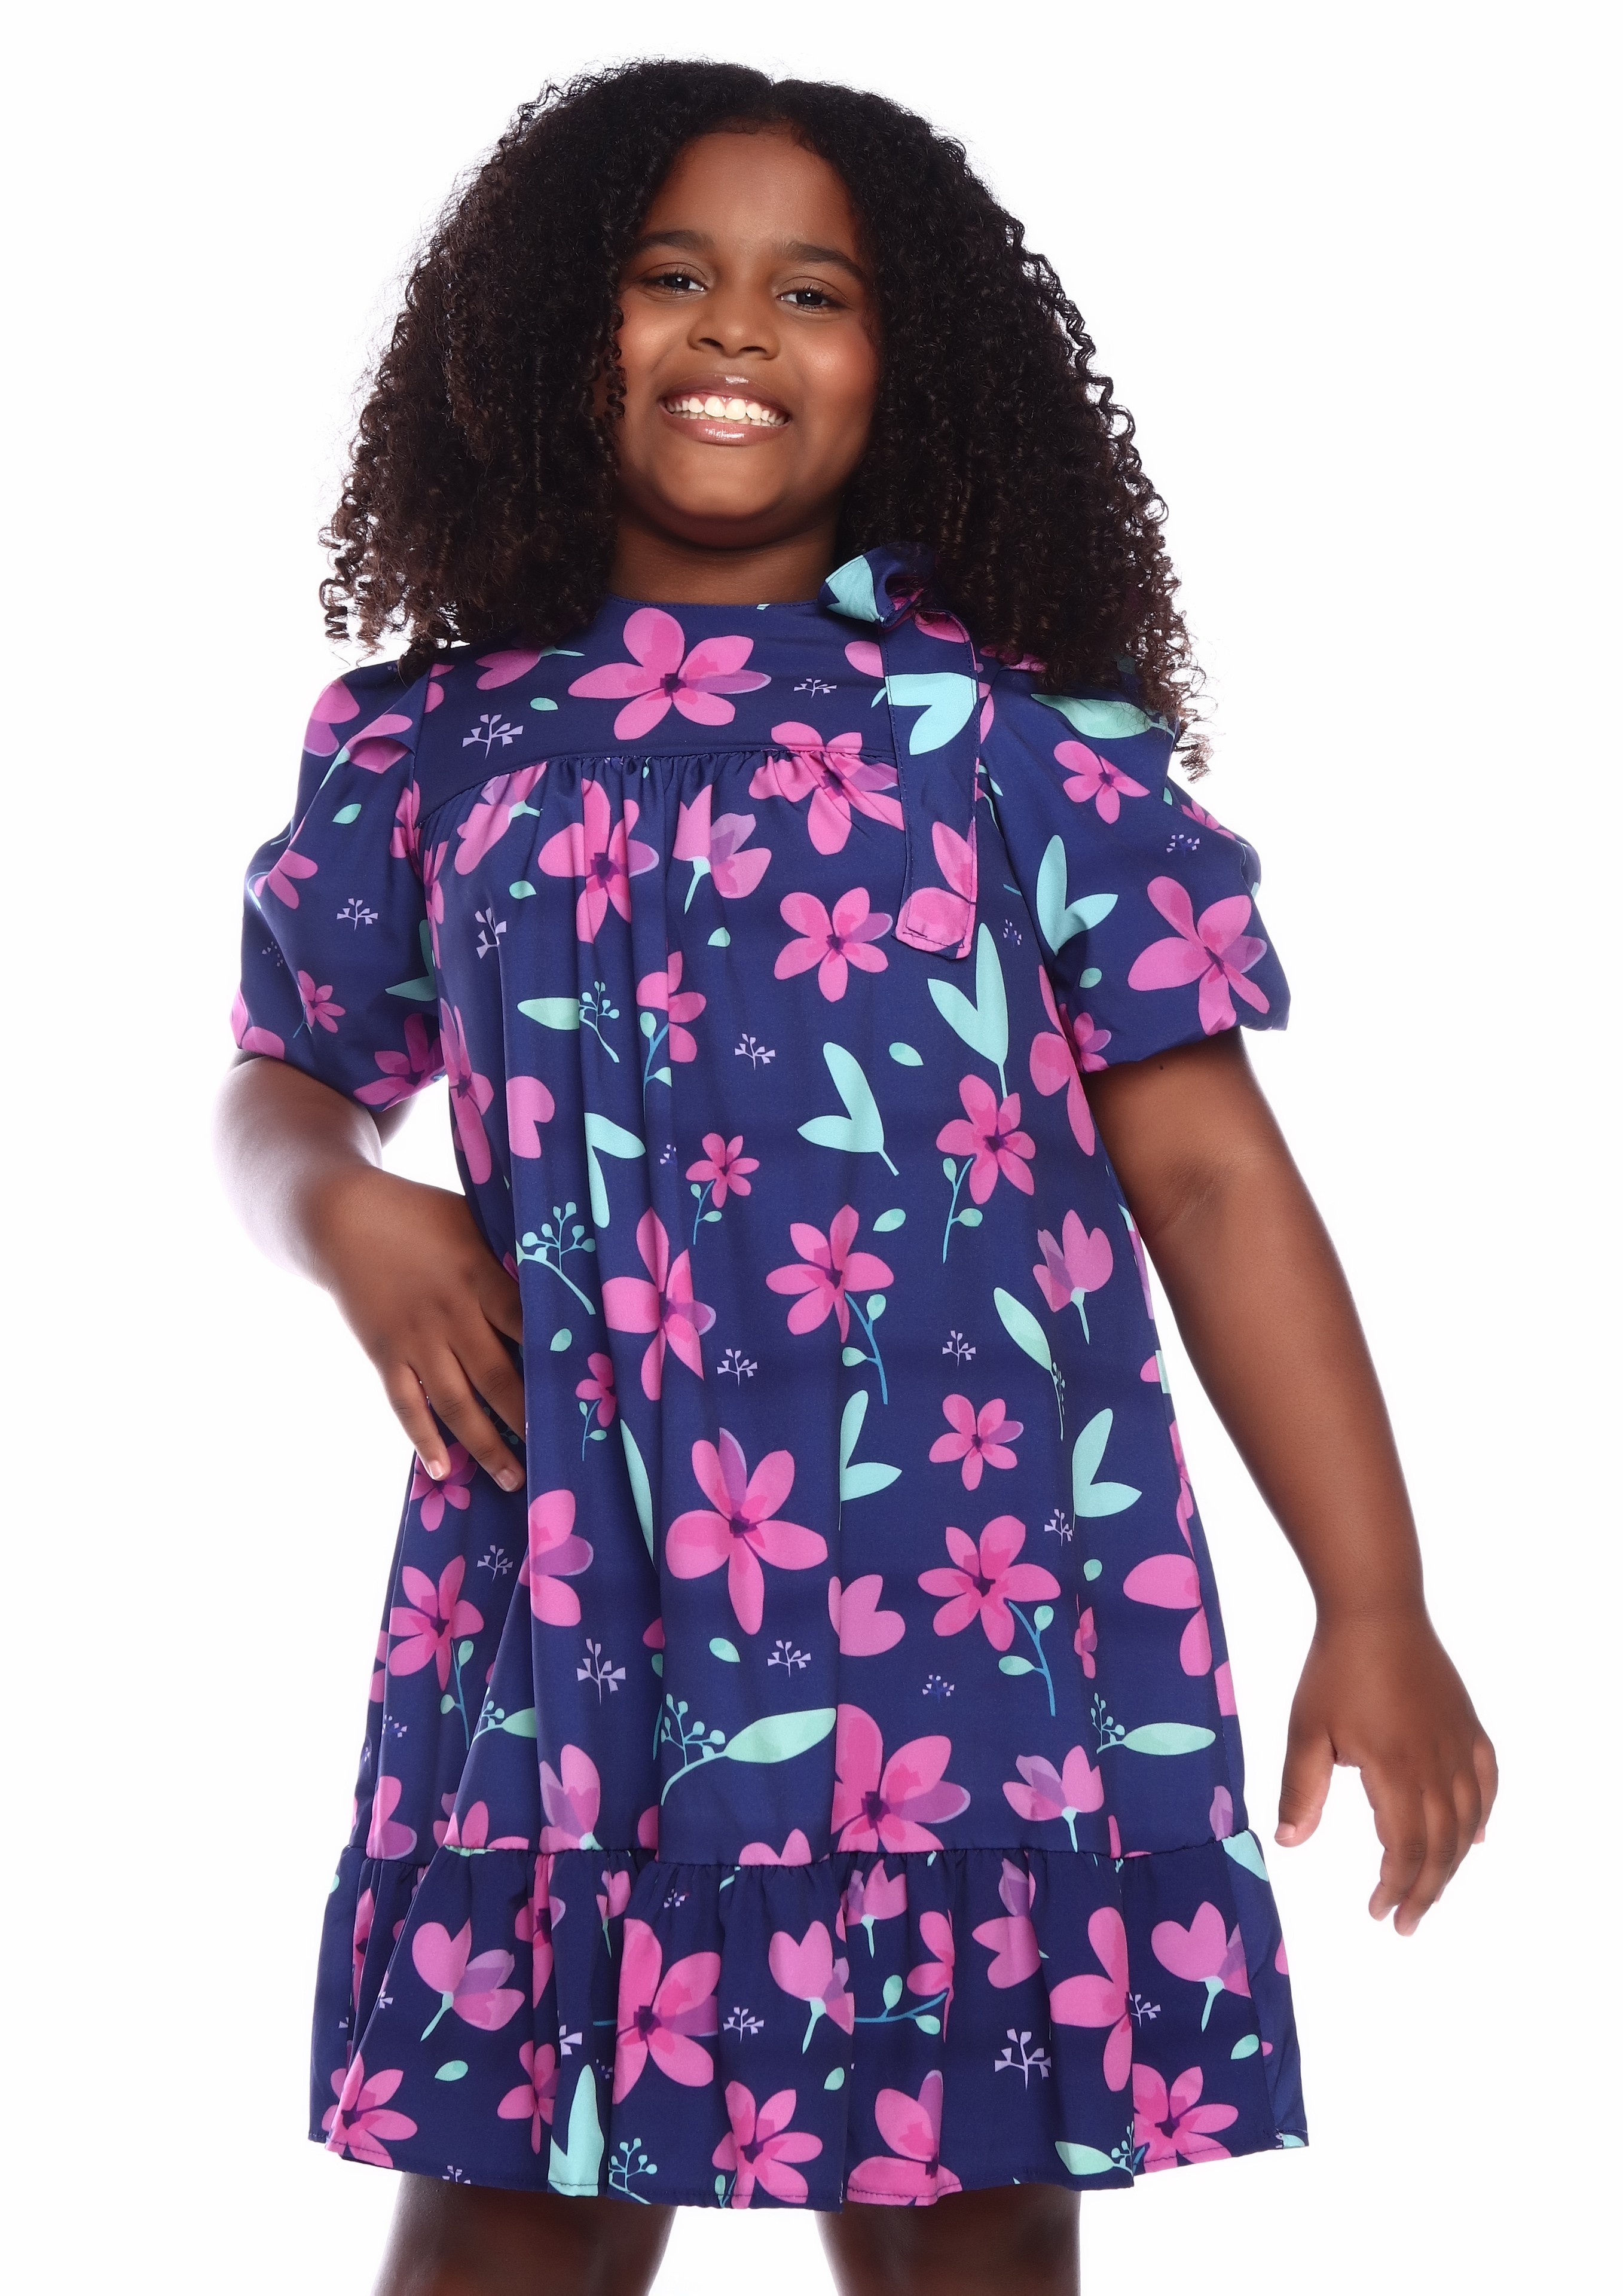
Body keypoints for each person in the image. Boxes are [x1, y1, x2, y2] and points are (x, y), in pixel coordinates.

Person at [215, 58, 1496, 2296]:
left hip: (961, 1617)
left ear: (914, 371)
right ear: (552, 327)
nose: (736, 329)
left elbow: (1208, 1178)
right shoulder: (437, 745)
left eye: (812, 292)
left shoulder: (1013, 744)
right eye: (670, 276)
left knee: (959, 2222)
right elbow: (277, 1086)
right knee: (509, 2212)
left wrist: (1371, 1599)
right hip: (567, 1598)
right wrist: (343, 1215)